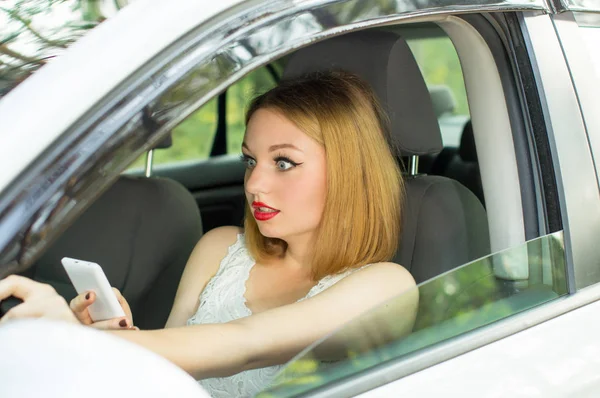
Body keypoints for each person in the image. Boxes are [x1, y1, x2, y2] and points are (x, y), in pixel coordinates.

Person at [0, 70, 418, 397]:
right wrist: (117, 336)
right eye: (250, 160)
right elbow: (170, 370)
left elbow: (245, 345)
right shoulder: (219, 247)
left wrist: (77, 342)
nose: (254, 184)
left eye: (284, 162)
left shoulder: (386, 286)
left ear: (349, 173)